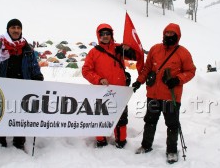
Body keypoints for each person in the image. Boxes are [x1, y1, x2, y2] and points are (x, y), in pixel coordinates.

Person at [132, 23, 196, 163]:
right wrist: (139, 81)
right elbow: (147, 68)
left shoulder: (183, 53)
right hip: (153, 95)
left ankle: (172, 151)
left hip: (171, 96)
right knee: (150, 121)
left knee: (172, 124)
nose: (169, 36)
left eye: (172, 34)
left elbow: (191, 71)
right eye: (167, 33)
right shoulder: (155, 49)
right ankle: (146, 146)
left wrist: (177, 79)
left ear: (177, 36)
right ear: (163, 34)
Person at [0, 19, 44, 150]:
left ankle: (19, 141)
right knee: (1, 112)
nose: (16, 30)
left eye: (18, 28)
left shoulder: (27, 48)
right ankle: (0, 139)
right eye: (13, 27)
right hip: (2, 86)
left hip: (22, 87)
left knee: (20, 113)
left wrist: (37, 75)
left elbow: (33, 65)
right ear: (8, 29)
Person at [82, 23, 136, 149]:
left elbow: (136, 56)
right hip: (101, 91)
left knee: (121, 118)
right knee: (100, 116)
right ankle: (101, 141)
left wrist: (128, 49)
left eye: (108, 34)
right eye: (102, 34)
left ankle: (121, 141)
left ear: (111, 35)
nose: (105, 36)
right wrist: (99, 79)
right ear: (98, 36)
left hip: (119, 90)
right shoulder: (93, 52)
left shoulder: (119, 49)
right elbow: (86, 71)